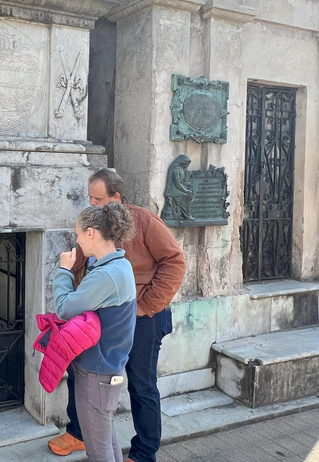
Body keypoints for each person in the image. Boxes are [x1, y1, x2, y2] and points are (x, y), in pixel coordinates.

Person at [48, 168, 186, 462]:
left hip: (145, 317)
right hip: (104, 319)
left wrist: (144, 305)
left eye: (97, 199)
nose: (91, 203)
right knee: (81, 375)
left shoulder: (146, 221)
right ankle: (79, 432)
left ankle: (144, 453)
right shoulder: (93, 224)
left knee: (141, 385)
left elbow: (174, 263)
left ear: (117, 197)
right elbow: (83, 265)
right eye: (89, 198)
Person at [53, 202, 137, 462]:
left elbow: (64, 309)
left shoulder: (107, 275)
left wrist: (64, 271)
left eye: (78, 234)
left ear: (91, 233)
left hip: (96, 373)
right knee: (107, 440)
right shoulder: (119, 267)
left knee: (98, 450)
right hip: (106, 369)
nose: (76, 242)